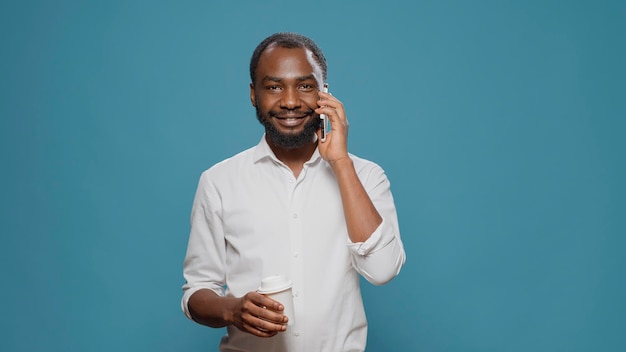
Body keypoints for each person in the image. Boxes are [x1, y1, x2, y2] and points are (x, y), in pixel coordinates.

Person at [181, 32, 406, 352]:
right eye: (274, 86)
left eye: (305, 86)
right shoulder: (219, 181)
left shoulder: (366, 176)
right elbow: (196, 293)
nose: (289, 101)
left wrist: (341, 163)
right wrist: (233, 309)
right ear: (253, 94)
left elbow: (382, 270)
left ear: (325, 94)